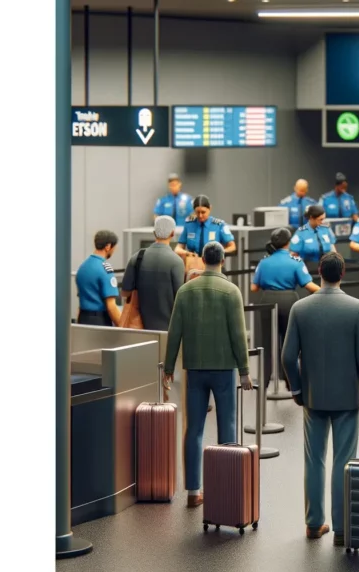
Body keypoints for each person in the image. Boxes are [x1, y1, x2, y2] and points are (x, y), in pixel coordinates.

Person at [283, 252, 359, 544]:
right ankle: (342, 527)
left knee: (314, 460)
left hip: (313, 397)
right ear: (343, 273)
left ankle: (314, 524)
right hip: (347, 398)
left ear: (319, 273)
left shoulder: (300, 308)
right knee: (344, 460)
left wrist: (298, 390)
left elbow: (288, 357)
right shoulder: (358, 308)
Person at [163, 242, 252, 508]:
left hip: (195, 368)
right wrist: (244, 371)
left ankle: (193, 491)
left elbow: (174, 332)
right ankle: (226, 487)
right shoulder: (231, 291)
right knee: (228, 426)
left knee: (194, 429)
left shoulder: (185, 291)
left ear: (202, 260)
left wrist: (169, 368)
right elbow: (238, 335)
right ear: (223, 260)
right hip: (224, 368)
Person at [251, 228, 320, 392]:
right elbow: (308, 285)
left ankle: (264, 381)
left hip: (267, 301)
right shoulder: (295, 261)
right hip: (289, 301)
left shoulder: (264, 262)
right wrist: (326, 291)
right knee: (290, 342)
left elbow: (254, 287)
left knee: (267, 342)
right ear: (288, 242)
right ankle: (291, 382)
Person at [121, 215, 184, 333]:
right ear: (172, 233)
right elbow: (180, 299)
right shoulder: (177, 262)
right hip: (168, 330)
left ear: (154, 233)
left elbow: (125, 292)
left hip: (139, 329)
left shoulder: (137, 257)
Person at [75, 230, 122, 326]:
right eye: (114, 248)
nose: (114, 251)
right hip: (100, 321)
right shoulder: (105, 269)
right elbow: (111, 306)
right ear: (108, 246)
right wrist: (123, 327)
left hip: (82, 318)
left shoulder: (83, 267)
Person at [176, 195, 236, 259]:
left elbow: (232, 247)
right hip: (193, 262)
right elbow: (178, 248)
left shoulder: (219, 225)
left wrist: (218, 253)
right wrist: (187, 253)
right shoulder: (189, 224)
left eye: (203, 212)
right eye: (197, 212)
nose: (200, 215)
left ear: (210, 208)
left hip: (213, 262)